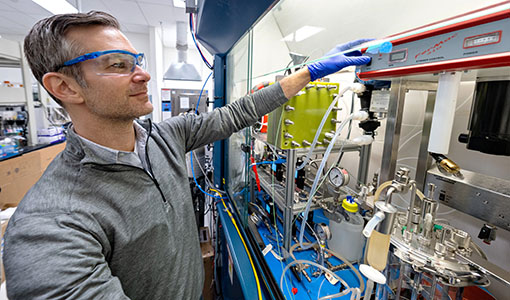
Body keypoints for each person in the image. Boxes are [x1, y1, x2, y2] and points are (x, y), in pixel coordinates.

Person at [3, 11, 371, 300]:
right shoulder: (51, 225)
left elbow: (235, 114)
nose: (143, 75)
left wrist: (309, 73)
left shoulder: (163, 137)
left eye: (137, 60)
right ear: (64, 87)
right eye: (118, 65)